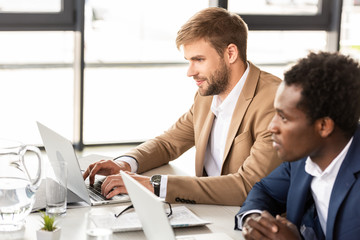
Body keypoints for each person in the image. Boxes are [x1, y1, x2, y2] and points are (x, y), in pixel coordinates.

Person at [83, 7, 282, 206]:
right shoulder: (208, 94)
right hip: (210, 209)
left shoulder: (274, 101)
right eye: (189, 61)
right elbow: (168, 143)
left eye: (199, 60)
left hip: (252, 220)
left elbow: (247, 186)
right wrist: (124, 164)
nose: (190, 72)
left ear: (230, 53)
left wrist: (155, 185)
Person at [235, 51, 360, 239]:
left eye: (283, 117)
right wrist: (256, 220)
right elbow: (265, 191)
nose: (271, 127)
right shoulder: (304, 157)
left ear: (324, 126)